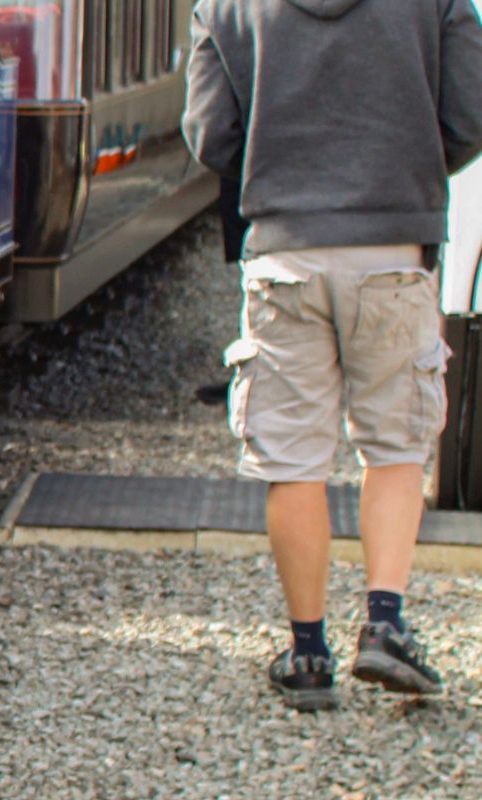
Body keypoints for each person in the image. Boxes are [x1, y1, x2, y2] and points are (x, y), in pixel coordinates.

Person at [184, 0, 482, 712]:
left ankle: (308, 652)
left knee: (293, 457)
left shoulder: (226, 5)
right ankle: (384, 623)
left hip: (284, 252)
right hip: (393, 248)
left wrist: (278, 168)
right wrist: (402, 167)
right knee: (395, 445)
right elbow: (469, 117)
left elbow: (207, 134)